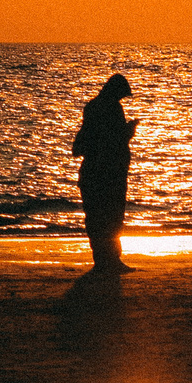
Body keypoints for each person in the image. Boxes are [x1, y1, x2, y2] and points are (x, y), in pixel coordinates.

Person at [71, 73, 137, 273]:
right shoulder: (112, 109)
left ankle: (103, 260)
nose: (122, 99)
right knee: (112, 217)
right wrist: (129, 131)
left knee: (96, 217)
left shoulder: (93, 107)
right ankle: (110, 260)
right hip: (110, 173)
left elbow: (87, 141)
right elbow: (114, 141)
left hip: (93, 172)